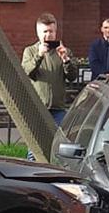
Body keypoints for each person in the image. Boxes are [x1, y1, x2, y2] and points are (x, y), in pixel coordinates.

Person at [21, 12, 77, 161]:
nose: (48, 35)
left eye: (51, 31)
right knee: (35, 147)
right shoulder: (30, 51)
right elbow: (27, 72)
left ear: (55, 32)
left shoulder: (64, 51)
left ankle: (54, 172)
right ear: (38, 32)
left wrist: (66, 60)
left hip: (58, 108)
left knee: (58, 145)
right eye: (45, 32)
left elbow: (72, 76)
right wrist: (39, 55)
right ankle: (31, 176)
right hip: (37, 107)